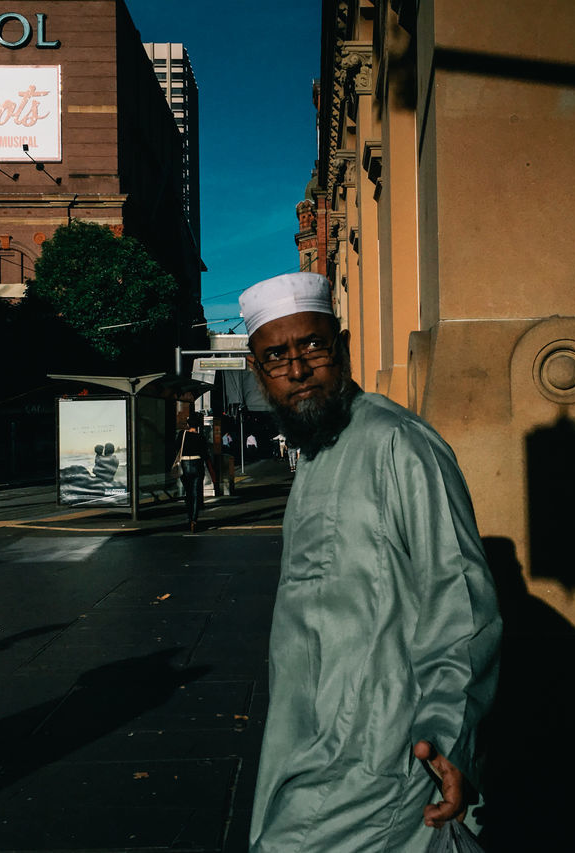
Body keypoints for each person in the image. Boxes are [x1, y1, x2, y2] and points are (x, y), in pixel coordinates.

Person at [239, 272, 502, 852]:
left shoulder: (398, 444)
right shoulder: (315, 450)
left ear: (344, 348)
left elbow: (458, 598)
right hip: (308, 738)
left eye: (313, 346)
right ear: (259, 375)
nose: (298, 370)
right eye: (276, 357)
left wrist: (445, 737)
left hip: (382, 749)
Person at [176, 414, 215, 533]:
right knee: (196, 493)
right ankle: (194, 520)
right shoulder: (201, 437)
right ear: (198, 426)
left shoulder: (182, 435)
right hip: (197, 465)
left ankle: (189, 518)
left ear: (188, 424)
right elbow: (205, 454)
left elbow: (176, 448)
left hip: (184, 465)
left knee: (188, 493)